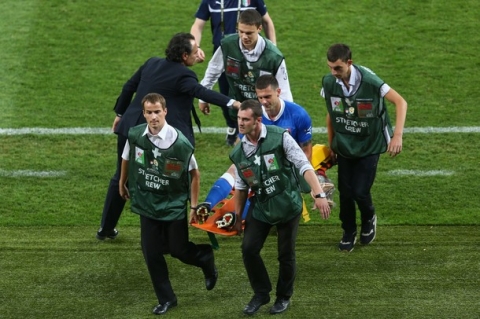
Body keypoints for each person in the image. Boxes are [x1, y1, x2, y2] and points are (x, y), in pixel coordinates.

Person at [96, 32, 241, 240]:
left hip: (131, 127)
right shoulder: (185, 76)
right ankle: (170, 234)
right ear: (184, 56)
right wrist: (233, 103)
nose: (199, 53)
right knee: (168, 182)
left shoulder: (152, 63)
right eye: (194, 51)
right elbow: (202, 92)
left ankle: (106, 228)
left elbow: (129, 86)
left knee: (121, 176)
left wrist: (120, 114)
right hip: (156, 137)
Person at [229, 99, 331, 315]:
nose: (240, 123)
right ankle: (261, 293)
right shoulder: (238, 153)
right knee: (249, 249)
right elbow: (240, 186)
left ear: (257, 120)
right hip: (261, 205)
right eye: (239, 118)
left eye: (245, 119)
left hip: (287, 204)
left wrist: (319, 194)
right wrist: (238, 216)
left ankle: (283, 297)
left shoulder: (280, 136)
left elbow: (303, 164)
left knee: (285, 254)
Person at [118, 93, 217, 315]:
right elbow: (127, 157)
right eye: (149, 112)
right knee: (151, 252)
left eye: (157, 112)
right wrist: (122, 182)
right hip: (147, 201)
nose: (153, 117)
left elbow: (195, 174)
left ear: (165, 112)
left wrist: (192, 207)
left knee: (178, 250)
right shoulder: (135, 135)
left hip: (172, 204)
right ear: (143, 113)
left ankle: (205, 258)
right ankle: (167, 298)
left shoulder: (180, 143)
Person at [321, 43, 407, 252]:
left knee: (360, 191)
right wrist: (332, 144)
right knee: (345, 191)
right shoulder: (329, 83)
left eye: (338, 68)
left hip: (370, 142)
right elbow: (332, 115)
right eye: (330, 67)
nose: (333, 72)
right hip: (346, 144)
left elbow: (400, 102)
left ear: (349, 63)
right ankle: (348, 231)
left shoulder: (370, 82)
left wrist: (397, 136)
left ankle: (369, 218)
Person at [197, 74, 312, 219]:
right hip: (258, 159)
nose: (263, 102)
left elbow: (306, 151)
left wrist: (297, 179)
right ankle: (207, 204)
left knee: (262, 185)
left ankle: (237, 216)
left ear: (278, 92)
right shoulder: (253, 114)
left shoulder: (298, 115)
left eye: (268, 97)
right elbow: (242, 145)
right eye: (260, 97)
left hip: (283, 166)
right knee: (235, 169)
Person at [198, 9, 292, 145]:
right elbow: (213, 70)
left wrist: (287, 119)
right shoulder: (228, 45)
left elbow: (284, 91)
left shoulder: (273, 56)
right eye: (240, 32)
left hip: (263, 112)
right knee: (245, 150)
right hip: (239, 108)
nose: (244, 36)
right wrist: (203, 97)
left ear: (259, 29)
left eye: (249, 33)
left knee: (251, 149)